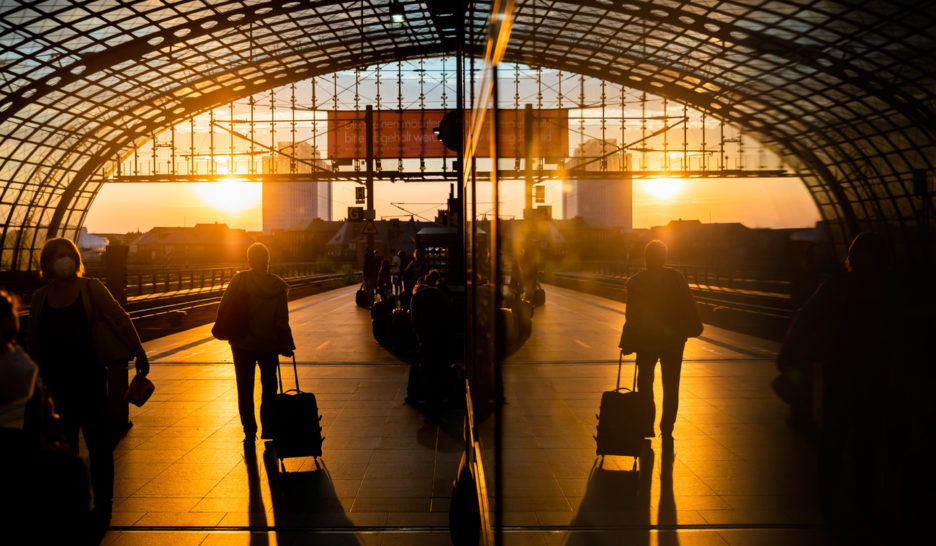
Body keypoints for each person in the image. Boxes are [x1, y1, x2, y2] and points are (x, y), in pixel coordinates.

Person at [26, 237, 149, 529]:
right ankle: (71, 506)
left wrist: (139, 351)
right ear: (47, 263)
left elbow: (120, 319)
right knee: (64, 448)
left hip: (90, 380)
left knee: (98, 446)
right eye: (59, 256)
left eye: (69, 254)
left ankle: (104, 505)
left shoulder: (90, 288)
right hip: (55, 385)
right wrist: (33, 382)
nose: (65, 260)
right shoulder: (40, 298)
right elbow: (34, 341)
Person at [619, 240, 702, 440]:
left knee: (645, 383)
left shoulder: (636, 281)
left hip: (646, 341)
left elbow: (632, 315)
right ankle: (667, 427)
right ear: (664, 257)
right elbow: (689, 304)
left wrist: (627, 342)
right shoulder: (676, 278)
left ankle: (647, 425)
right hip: (674, 342)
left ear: (646, 258)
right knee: (671, 385)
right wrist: (692, 327)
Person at [219, 242, 295, 442]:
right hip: (268, 345)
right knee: (269, 387)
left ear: (249, 260)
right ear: (267, 260)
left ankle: (249, 430)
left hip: (241, 344)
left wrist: (226, 328)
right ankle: (268, 428)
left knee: (244, 388)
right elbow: (282, 319)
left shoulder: (239, 280)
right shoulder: (278, 285)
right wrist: (287, 344)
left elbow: (224, 305)